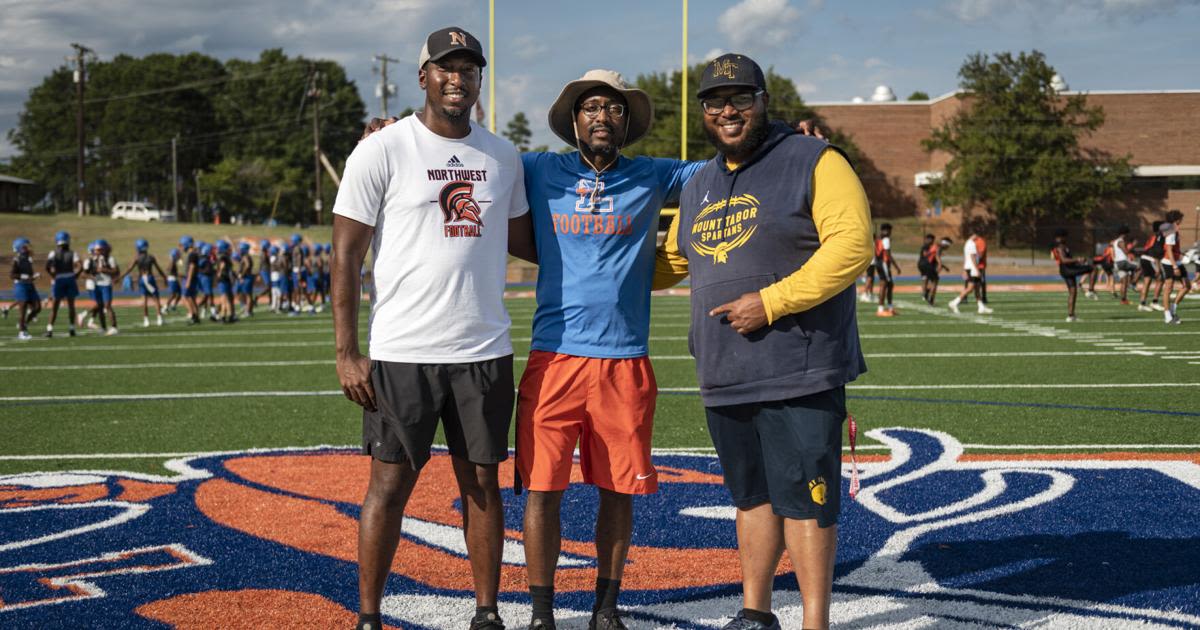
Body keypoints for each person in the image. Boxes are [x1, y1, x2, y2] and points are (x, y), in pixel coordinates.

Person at [653, 53, 872, 630]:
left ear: (763, 101)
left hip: (798, 365)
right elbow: (673, 262)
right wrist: (582, 249)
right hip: (724, 370)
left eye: (740, 98)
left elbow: (851, 247)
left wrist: (770, 302)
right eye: (715, 101)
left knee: (806, 501)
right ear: (703, 111)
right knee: (750, 498)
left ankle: (814, 622)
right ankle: (755, 612)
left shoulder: (814, 158)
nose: (728, 110)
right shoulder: (699, 182)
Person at [330, 27, 534, 630]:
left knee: (482, 486)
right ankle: (369, 615)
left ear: (478, 81)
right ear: (424, 77)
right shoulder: (383, 148)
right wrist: (347, 352)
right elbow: (344, 255)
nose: (458, 78)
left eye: (469, 69)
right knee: (388, 486)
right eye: (446, 68)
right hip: (403, 350)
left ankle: (487, 612)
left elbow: (526, 241)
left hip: (482, 347)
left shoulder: (503, 155)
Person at [510, 69, 702, 630]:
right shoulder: (538, 168)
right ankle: (542, 613)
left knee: (618, 492)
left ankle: (605, 607)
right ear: (574, 119)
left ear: (627, 121)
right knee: (543, 490)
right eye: (591, 107)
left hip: (625, 360)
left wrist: (792, 143)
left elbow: (732, 168)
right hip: (554, 357)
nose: (602, 116)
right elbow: (470, 156)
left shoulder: (654, 174)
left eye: (614, 109)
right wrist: (392, 133)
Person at [118, 238, 167, 327]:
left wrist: (120, 277)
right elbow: (159, 269)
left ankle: (146, 320)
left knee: (144, 300)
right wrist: (164, 278)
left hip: (142, 279)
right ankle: (159, 318)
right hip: (150, 278)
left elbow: (129, 269)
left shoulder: (137, 258)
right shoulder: (151, 257)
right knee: (156, 299)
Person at [1050, 229, 1094, 322]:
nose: (1062, 238)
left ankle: (1070, 316)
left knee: (1073, 292)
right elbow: (1064, 260)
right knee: (1093, 268)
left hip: (1067, 269)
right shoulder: (1060, 247)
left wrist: (1079, 263)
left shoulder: (1063, 246)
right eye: (1061, 237)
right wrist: (1078, 260)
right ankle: (1090, 290)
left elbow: (1068, 260)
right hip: (1067, 269)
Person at [947, 226, 993, 314]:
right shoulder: (971, 243)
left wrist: (964, 269)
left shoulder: (967, 243)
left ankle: (981, 307)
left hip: (970, 268)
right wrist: (977, 269)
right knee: (970, 288)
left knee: (976, 288)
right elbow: (972, 257)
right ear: (974, 235)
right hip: (973, 269)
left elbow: (967, 257)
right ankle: (954, 302)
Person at [44, 230, 80, 338]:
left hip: (59, 279)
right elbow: (80, 266)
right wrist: (75, 275)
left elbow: (47, 266)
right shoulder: (73, 253)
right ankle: (72, 328)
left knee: (55, 306)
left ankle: (50, 329)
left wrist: (53, 275)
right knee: (71, 306)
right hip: (70, 278)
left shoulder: (53, 253)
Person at [1159, 211, 1189, 324]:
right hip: (1169, 263)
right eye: (1181, 218)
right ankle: (1167, 316)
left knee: (1187, 286)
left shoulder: (1175, 230)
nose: (1182, 220)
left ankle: (1172, 309)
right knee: (1168, 288)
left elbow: (1174, 249)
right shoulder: (1171, 231)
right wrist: (1175, 266)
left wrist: (1181, 254)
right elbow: (1169, 250)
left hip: (1176, 261)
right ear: (1177, 219)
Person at [9, 238, 42, 340]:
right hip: (21, 286)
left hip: (30, 285)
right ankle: (21, 332)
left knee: (37, 307)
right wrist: (26, 277)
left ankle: (24, 324)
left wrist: (35, 275)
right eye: (25, 246)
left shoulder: (28, 258)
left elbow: (30, 274)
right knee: (22, 310)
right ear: (19, 248)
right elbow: (12, 275)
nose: (27, 248)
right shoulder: (16, 260)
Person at [91, 239, 119, 335]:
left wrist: (103, 270)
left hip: (106, 284)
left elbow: (115, 271)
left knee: (107, 305)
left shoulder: (110, 259)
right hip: (97, 284)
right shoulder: (95, 259)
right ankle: (103, 327)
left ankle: (114, 327)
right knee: (99, 306)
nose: (96, 252)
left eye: (98, 250)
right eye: (96, 250)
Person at [1136, 221, 1165, 312]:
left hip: (1143, 258)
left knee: (1147, 281)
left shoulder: (1153, 236)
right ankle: (1154, 302)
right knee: (1160, 279)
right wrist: (1158, 267)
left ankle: (1142, 304)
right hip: (1150, 259)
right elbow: (1156, 253)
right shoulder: (1160, 237)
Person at [874, 223, 900, 316]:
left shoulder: (878, 239)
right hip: (884, 264)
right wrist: (896, 266)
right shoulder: (886, 240)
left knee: (887, 285)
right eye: (888, 231)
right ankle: (881, 309)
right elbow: (888, 255)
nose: (889, 233)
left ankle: (889, 308)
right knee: (886, 285)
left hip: (879, 263)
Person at [917, 235, 950, 306]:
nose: (948, 248)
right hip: (927, 264)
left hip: (923, 264)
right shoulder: (939, 247)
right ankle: (931, 301)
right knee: (935, 281)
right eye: (948, 245)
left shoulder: (935, 245)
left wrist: (943, 266)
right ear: (946, 244)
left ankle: (926, 292)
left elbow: (933, 256)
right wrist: (940, 264)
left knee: (931, 280)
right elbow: (937, 256)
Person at [1111, 226, 1137, 304]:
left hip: (1117, 263)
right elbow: (1126, 251)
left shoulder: (1115, 241)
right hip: (1123, 262)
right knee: (1140, 267)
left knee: (1124, 282)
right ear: (1125, 234)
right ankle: (1133, 283)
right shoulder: (1121, 241)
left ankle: (1123, 300)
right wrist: (1133, 245)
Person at [179, 236, 202, 325]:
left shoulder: (192, 254)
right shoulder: (194, 253)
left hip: (190, 279)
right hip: (192, 278)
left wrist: (188, 280)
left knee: (185, 297)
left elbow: (192, 267)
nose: (181, 247)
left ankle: (192, 315)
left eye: (182, 245)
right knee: (192, 298)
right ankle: (196, 317)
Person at [165, 247, 183, 314]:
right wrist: (178, 274)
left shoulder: (173, 261)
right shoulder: (172, 261)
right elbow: (169, 271)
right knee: (173, 294)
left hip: (174, 279)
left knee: (179, 294)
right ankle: (165, 307)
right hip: (172, 279)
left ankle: (173, 307)